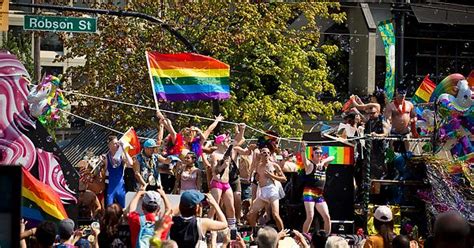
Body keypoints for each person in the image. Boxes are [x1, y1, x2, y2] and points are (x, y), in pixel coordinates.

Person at [207, 124, 246, 232]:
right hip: (217, 183)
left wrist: (242, 129)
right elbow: (214, 171)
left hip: (226, 183)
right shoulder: (215, 155)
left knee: (231, 208)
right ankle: (207, 228)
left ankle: (232, 229)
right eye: (227, 140)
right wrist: (223, 166)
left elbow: (237, 140)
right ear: (221, 142)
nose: (229, 141)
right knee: (214, 208)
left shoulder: (227, 153)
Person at [247, 147, 287, 231]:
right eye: (264, 153)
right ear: (261, 154)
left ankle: (282, 233)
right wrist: (257, 178)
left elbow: (284, 179)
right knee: (251, 214)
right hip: (263, 191)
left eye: (268, 153)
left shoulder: (274, 165)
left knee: (275, 214)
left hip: (272, 190)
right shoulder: (258, 166)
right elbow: (257, 179)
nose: (266, 155)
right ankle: (254, 233)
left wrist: (271, 176)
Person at [300, 143, 334, 235]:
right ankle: (303, 237)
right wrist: (303, 150)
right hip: (309, 193)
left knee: (327, 217)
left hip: (319, 194)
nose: (319, 154)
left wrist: (322, 162)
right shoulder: (310, 165)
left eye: (320, 153)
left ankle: (326, 238)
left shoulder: (324, 165)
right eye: (317, 153)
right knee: (310, 216)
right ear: (313, 154)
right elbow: (304, 159)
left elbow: (332, 157)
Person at [102, 135, 133, 208]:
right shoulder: (106, 156)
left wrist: (123, 149)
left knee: (125, 208)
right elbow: (104, 172)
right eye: (115, 143)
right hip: (110, 187)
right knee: (109, 209)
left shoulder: (121, 155)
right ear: (109, 145)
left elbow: (130, 163)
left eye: (117, 143)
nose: (117, 145)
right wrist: (103, 163)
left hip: (121, 186)